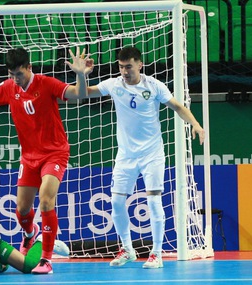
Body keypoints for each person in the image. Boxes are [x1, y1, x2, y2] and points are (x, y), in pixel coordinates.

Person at [0, 47, 92, 274]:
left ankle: (46, 259)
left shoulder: (46, 83)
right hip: (29, 157)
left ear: (29, 68)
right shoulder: (10, 87)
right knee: (21, 210)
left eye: (19, 74)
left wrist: (80, 74)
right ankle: (30, 234)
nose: (16, 79)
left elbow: (79, 94)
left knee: (46, 200)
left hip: (55, 153)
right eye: (12, 74)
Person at [82, 46, 205, 269]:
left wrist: (195, 124)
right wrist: (82, 76)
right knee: (117, 202)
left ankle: (156, 253)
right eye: (121, 67)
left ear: (139, 64)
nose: (124, 71)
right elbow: (83, 93)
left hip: (152, 154)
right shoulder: (113, 84)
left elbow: (177, 106)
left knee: (153, 200)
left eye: (128, 66)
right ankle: (128, 249)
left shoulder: (154, 85)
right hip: (126, 155)